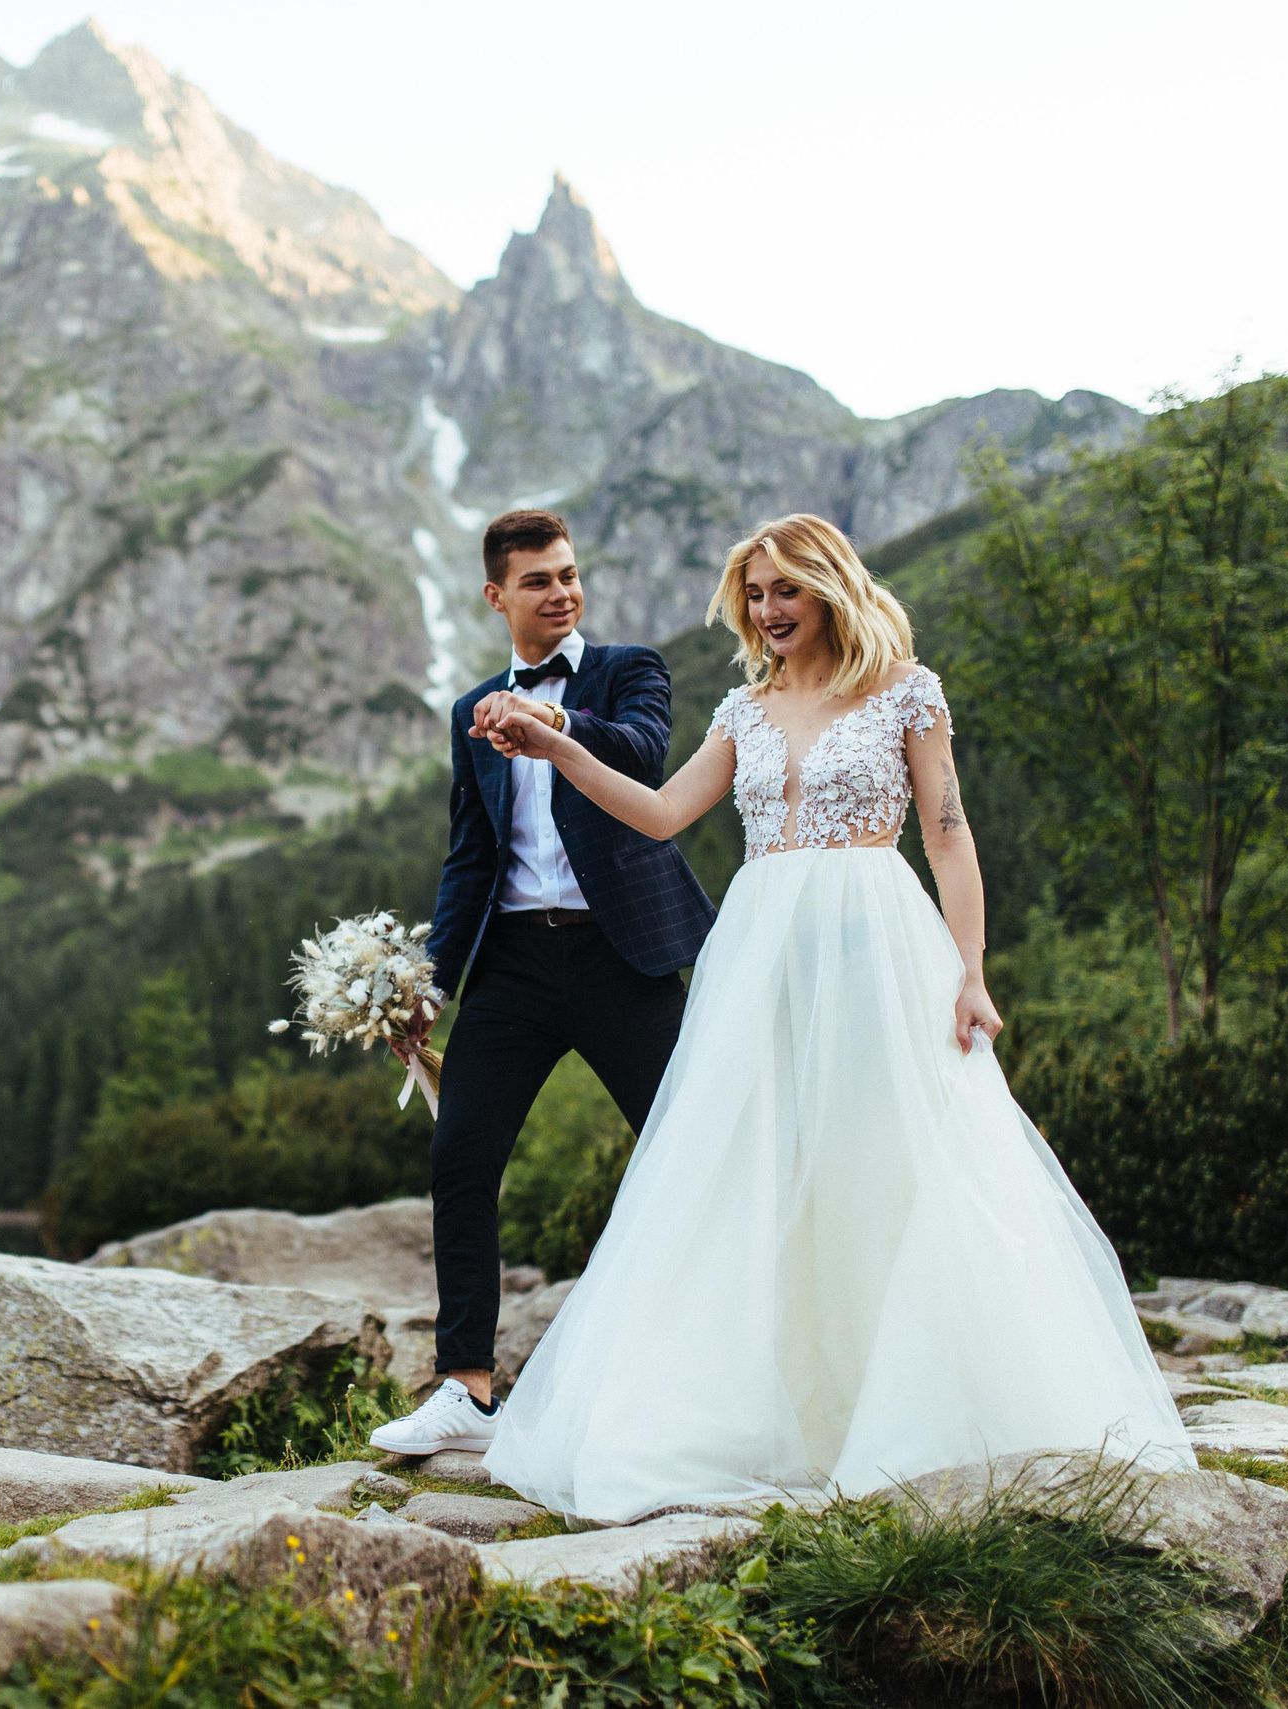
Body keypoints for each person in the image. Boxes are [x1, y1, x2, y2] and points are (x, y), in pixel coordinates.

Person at [467, 513, 1191, 1519]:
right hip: (762, 950)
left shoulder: (906, 691)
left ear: (829, 589)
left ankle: (922, 1409)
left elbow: (947, 834)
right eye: (754, 596)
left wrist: (970, 970)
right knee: (758, 1166)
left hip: (877, 938)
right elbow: (662, 810)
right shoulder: (745, 707)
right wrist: (551, 746)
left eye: (785, 593)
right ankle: (784, 1411)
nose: (768, 613)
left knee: (898, 1160)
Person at [367, 510, 716, 1458]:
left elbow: (643, 751)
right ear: (496, 596)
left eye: (569, 575)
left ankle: (712, 1372)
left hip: (624, 952)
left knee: (690, 1152)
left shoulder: (630, 668)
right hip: (514, 962)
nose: (561, 592)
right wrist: (426, 984)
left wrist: (552, 719)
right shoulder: (468, 712)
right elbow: (469, 857)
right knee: (461, 1159)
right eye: (538, 581)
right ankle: (466, 1392)